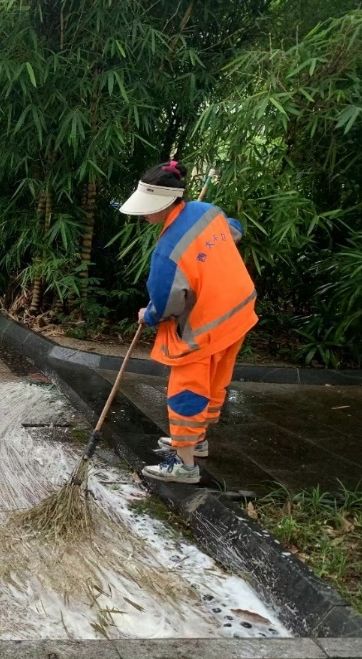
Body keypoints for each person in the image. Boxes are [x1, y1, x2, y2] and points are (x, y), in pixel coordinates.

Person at [119, 160, 258, 484]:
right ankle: (198, 441)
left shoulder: (167, 251)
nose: (143, 215)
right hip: (238, 313)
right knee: (214, 381)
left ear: (166, 202)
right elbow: (234, 230)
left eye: (148, 208)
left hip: (204, 328)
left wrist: (147, 315)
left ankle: (184, 466)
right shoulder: (207, 211)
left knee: (187, 391)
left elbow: (167, 304)